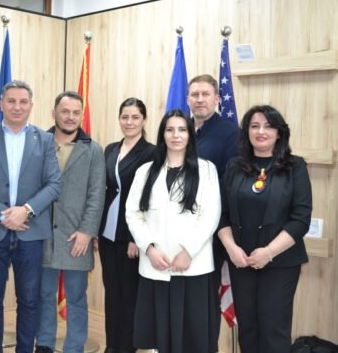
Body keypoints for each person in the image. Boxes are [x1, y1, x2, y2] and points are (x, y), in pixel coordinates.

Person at [0, 80, 61, 353]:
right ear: (1, 104)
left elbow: (54, 183)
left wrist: (26, 210)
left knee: (30, 300)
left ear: (31, 105)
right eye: (11, 101)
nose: (17, 107)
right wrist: (2, 214)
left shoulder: (45, 140)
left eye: (23, 102)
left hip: (31, 232)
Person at [217, 105, 312, 353]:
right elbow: (222, 214)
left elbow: (301, 219)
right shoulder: (234, 166)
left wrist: (268, 252)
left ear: (279, 133)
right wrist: (231, 248)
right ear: (247, 131)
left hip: (280, 263)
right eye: (255, 126)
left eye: (268, 126)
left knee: (273, 330)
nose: (261, 131)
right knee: (248, 329)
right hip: (241, 262)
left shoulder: (295, 166)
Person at [126, 109, 221, 353]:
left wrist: (188, 252)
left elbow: (210, 216)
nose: (176, 135)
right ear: (162, 134)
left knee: (192, 338)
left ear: (190, 135)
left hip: (193, 266)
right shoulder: (145, 171)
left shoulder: (206, 170)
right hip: (156, 266)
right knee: (159, 337)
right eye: (170, 130)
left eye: (182, 130)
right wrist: (149, 248)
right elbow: (133, 214)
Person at [35, 91, 106, 353]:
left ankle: (74, 347)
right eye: (65, 111)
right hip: (42, 235)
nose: (70, 117)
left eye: (76, 112)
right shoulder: (38, 143)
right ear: (53, 113)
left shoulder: (93, 150)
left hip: (76, 237)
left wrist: (87, 231)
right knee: (43, 295)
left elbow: (96, 195)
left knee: (76, 297)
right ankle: (44, 344)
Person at [98, 98, 155, 353]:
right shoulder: (110, 149)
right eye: (125, 117)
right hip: (107, 234)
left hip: (131, 236)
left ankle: (127, 347)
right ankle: (112, 346)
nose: (129, 122)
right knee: (112, 293)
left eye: (135, 117)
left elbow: (149, 197)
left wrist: (136, 238)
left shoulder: (152, 152)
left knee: (129, 296)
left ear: (144, 120)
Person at [186, 74, 239, 349]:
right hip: (177, 229)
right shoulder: (180, 130)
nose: (199, 99)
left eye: (205, 94)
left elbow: (229, 181)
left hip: (210, 232)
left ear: (217, 98)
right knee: (181, 297)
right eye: (194, 94)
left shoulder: (230, 133)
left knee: (205, 300)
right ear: (187, 99)